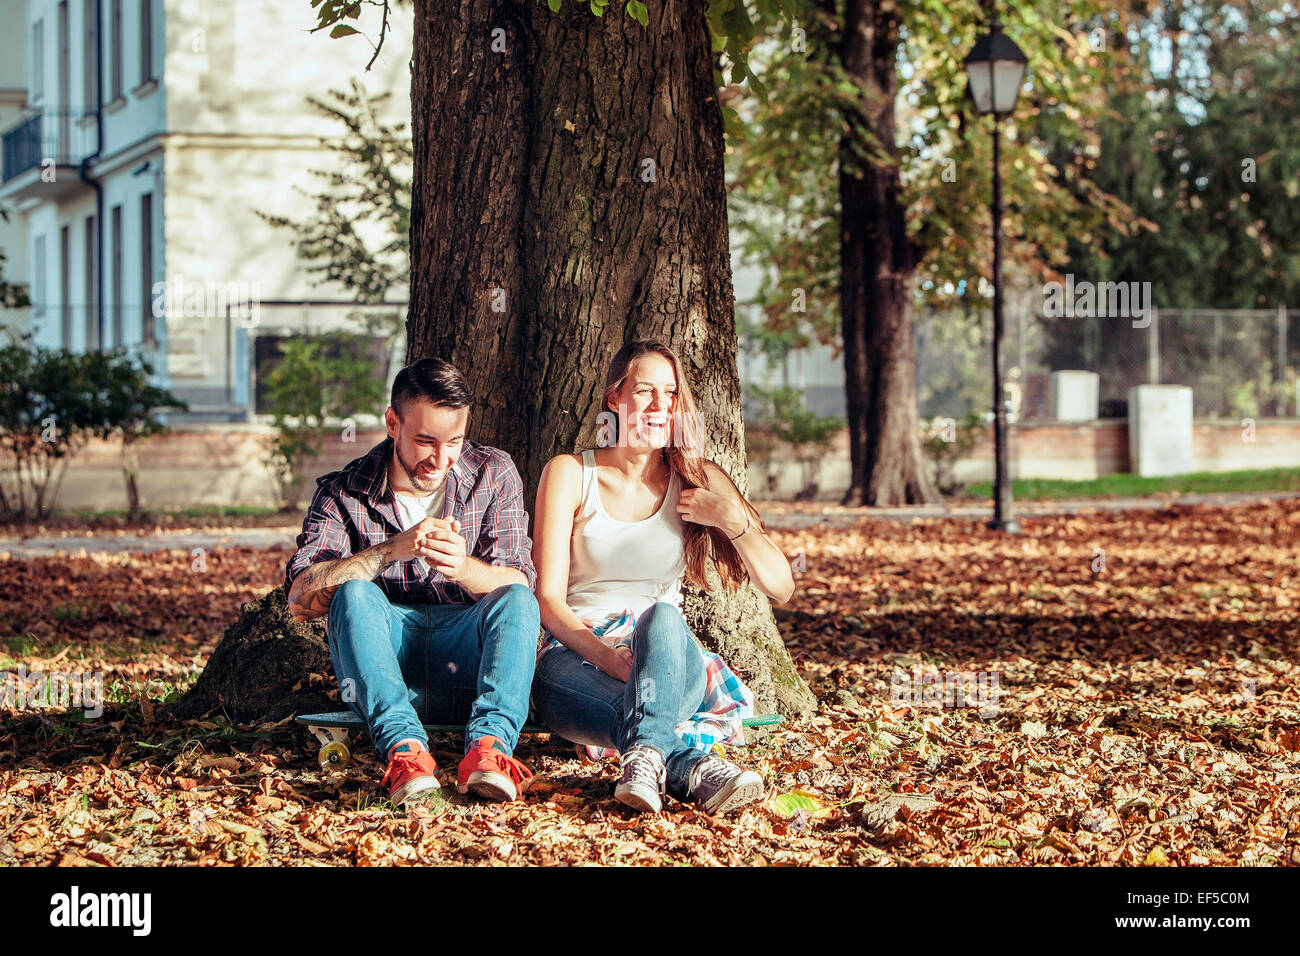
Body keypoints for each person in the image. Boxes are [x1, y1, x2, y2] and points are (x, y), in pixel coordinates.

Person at [530, 340, 796, 814]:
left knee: (663, 618)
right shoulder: (571, 474)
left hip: (668, 657)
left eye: (670, 394)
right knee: (621, 704)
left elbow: (781, 585)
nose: (659, 405)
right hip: (577, 654)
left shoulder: (696, 479)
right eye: (645, 391)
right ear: (614, 396)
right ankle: (684, 765)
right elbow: (548, 600)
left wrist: (730, 518)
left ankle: (649, 756)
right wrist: (609, 658)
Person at [284, 358, 540, 808]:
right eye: (425, 441)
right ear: (392, 422)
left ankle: (491, 752)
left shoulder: (492, 473)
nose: (439, 460)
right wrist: (388, 552)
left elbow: (520, 582)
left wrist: (463, 567)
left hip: (469, 664)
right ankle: (406, 753)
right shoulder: (345, 490)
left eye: (454, 442)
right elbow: (301, 594)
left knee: (516, 598)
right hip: (385, 667)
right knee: (356, 593)